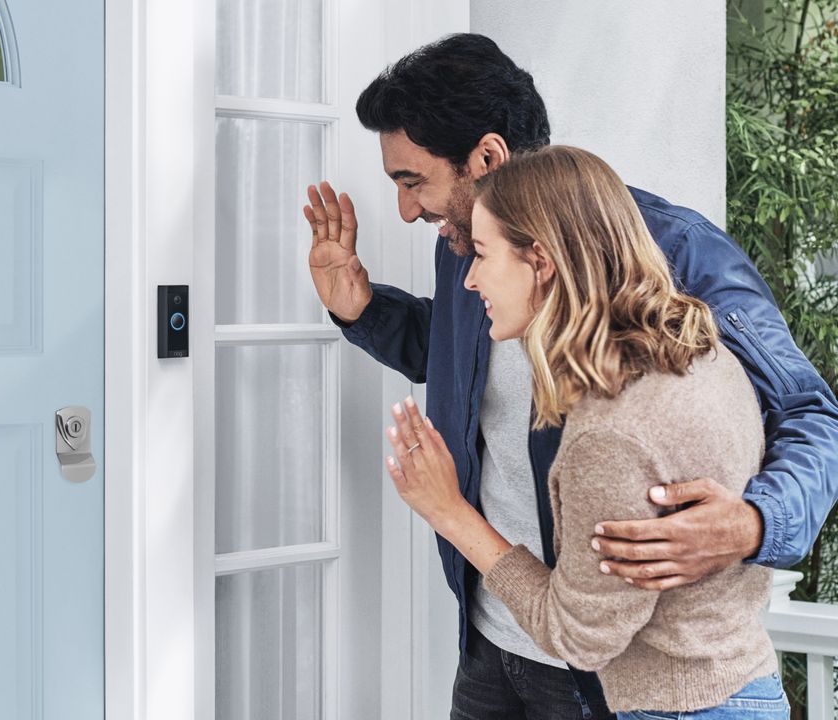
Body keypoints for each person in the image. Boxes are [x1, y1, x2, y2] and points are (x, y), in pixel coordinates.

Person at [304, 34, 838, 718]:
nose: (408, 210)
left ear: (487, 158)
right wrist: (361, 307)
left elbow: (808, 413)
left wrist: (757, 523)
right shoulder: (465, 244)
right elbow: (466, 360)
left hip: (613, 677)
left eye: (414, 181)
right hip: (494, 646)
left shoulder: (673, 252)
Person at [386, 144, 786, 717]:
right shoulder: (693, 349)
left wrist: (447, 510)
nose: (470, 281)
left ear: (542, 261)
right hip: (740, 689)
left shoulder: (611, 432)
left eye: (481, 254)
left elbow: (581, 637)